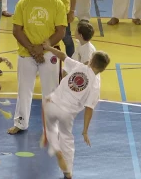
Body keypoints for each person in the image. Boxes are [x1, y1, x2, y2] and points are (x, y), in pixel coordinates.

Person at [40, 40, 110, 179]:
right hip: (67, 114)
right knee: (67, 140)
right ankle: (68, 172)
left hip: (53, 104)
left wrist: (48, 47)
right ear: (103, 69)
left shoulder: (79, 67)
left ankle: (51, 139)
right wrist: (85, 131)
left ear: (90, 61)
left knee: (47, 110)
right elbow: (89, 109)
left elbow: (62, 55)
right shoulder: (95, 86)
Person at [7, 0, 67, 134]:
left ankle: (52, 125)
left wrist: (42, 47)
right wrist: (32, 48)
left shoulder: (57, 4)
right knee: (24, 88)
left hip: (49, 52)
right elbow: (17, 30)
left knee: (51, 90)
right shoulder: (23, 3)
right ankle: (20, 122)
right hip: (26, 52)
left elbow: (60, 31)